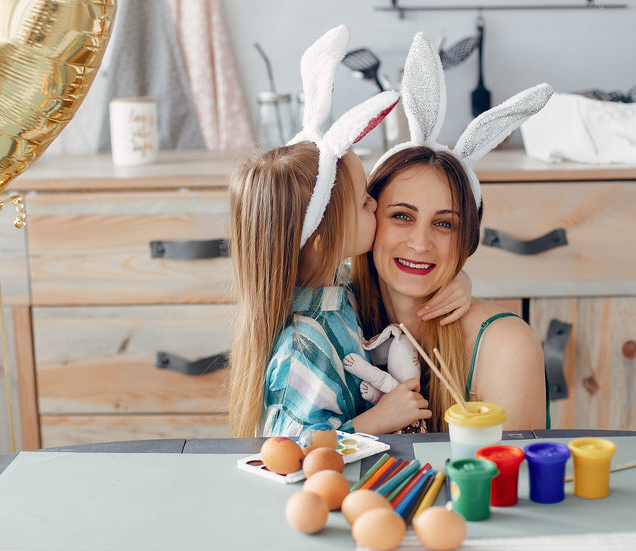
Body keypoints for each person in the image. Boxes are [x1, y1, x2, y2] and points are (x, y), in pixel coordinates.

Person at [227, 26, 471, 438]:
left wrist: (458, 278)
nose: (375, 203)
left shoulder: (337, 288)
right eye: (363, 202)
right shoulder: (303, 345)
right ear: (324, 235)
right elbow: (291, 454)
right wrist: (376, 421)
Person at [352, 32, 554, 432]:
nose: (421, 243)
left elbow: (507, 487)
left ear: (468, 239)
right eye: (402, 216)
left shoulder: (505, 347)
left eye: (445, 224)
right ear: (370, 218)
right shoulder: (336, 314)